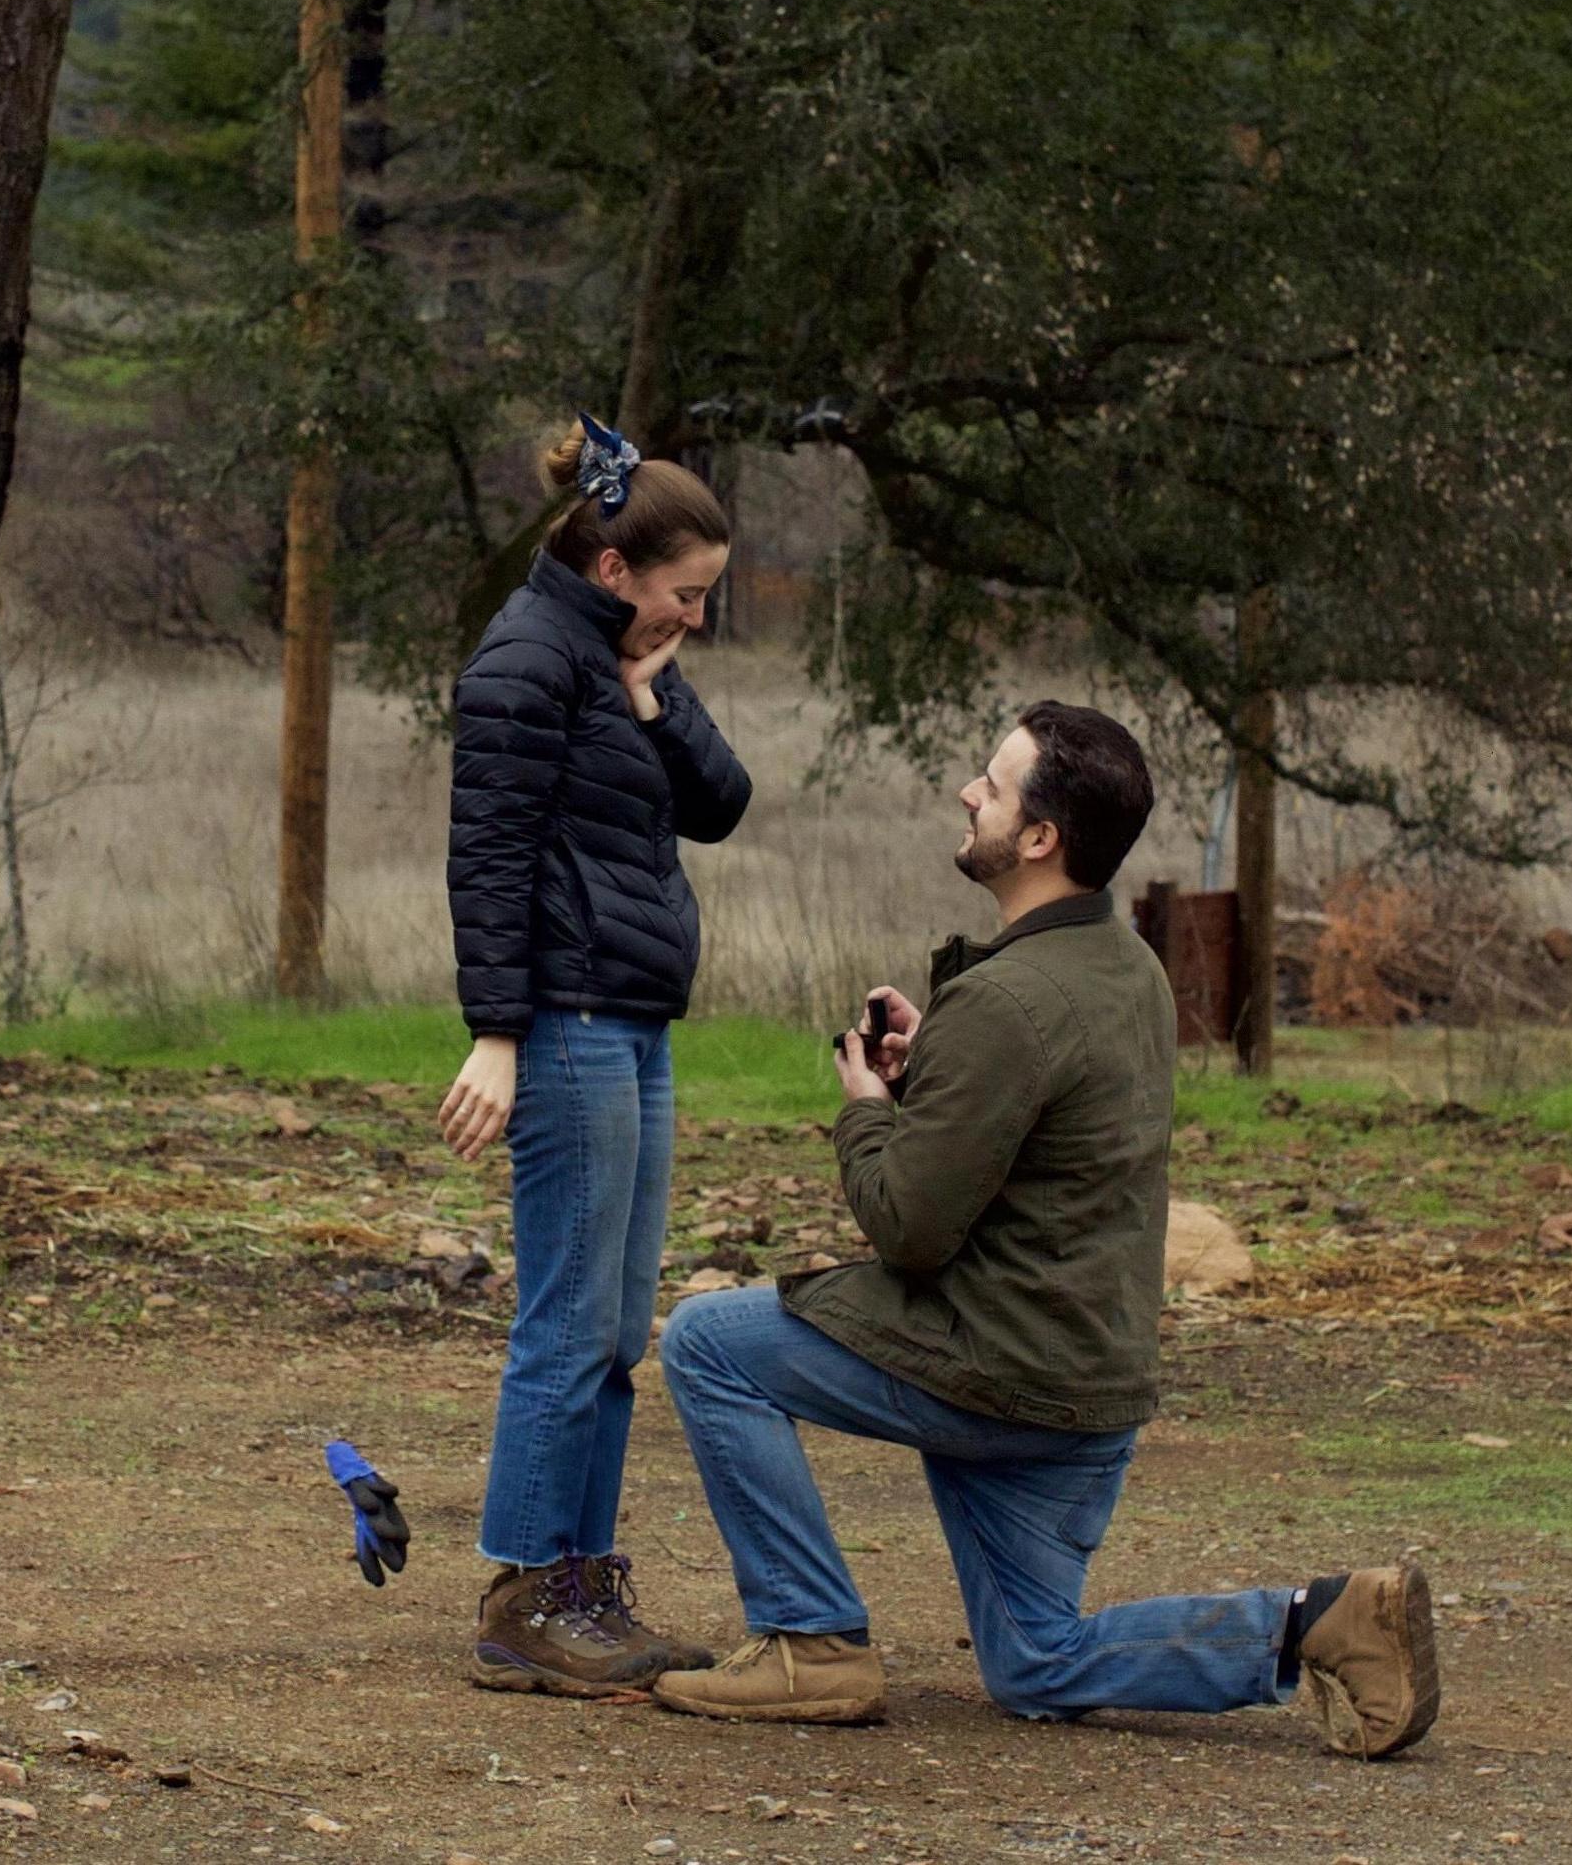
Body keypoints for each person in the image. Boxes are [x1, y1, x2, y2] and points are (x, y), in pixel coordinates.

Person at [650, 702, 1440, 1755]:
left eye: (992, 782)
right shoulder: (1130, 971)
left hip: (1000, 1372)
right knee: (1031, 1660)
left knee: (707, 1342)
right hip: (1091, 1380)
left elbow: (908, 1230)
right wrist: (943, 1066)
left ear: (1037, 838)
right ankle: (1319, 1620)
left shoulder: (1009, 1000)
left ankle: (809, 1638)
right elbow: (1051, 1120)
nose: (969, 793)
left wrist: (869, 1108)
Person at [436, 412, 753, 1695]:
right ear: (615, 567)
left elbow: (722, 805)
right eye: (685, 595)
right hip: (563, 1025)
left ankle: (584, 1579)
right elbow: (489, 861)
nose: (695, 617)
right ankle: (522, 1591)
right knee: (567, 1317)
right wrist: (496, 1035)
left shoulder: (622, 659)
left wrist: (655, 693)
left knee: (618, 1324)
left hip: (633, 1021)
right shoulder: (520, 663)